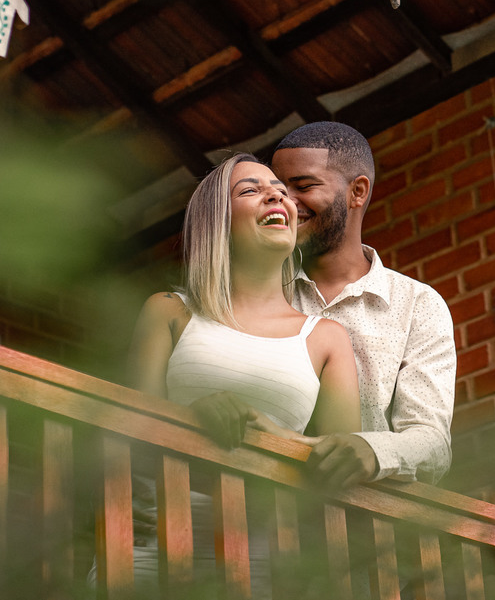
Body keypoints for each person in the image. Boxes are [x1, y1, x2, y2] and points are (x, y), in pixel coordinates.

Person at [118, 152, 360, 595]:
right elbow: (130, 438)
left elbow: (342, 466)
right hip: (157, 552)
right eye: (251, 190)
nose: (277, 194)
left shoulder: (327, 338)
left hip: (269, 561)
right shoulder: (169, 312)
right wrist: (191, 419)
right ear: (216, 222)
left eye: (282, 191)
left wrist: (270, 435)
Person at [269, 121, 456, 488]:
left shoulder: (418, 305)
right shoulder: (260, 288)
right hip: (261, 513)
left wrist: (371, 451)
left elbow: (432, 444)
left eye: (304, 186)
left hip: (366, 528)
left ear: (357, 192)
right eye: (279, 189)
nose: (286, 202)